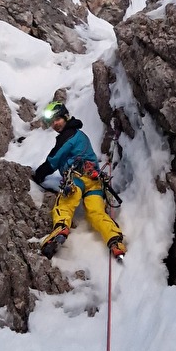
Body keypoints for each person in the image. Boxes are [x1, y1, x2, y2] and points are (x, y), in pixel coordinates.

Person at [31, 100, 125, 260]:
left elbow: (53, 160)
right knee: (97, 213)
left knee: (65, 206)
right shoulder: (80, 135)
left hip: (75, 179)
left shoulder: (68, 136)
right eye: (52, 122)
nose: (55, 124)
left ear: (65, 117)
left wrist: (36, 176)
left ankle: (59, 230)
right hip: (94, 181)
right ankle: (115, 241)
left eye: (57, 119)